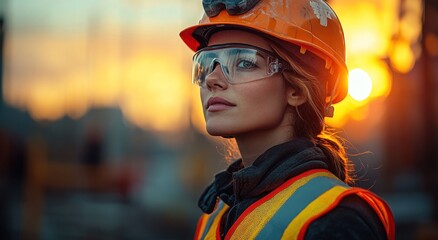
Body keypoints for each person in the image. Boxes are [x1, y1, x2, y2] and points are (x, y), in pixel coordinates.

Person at [180, 0, 395, 239]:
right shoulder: (215, 217)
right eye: (207, 63)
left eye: (244, 62)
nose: (212, 79)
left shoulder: (335, 220)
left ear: (297, 90)